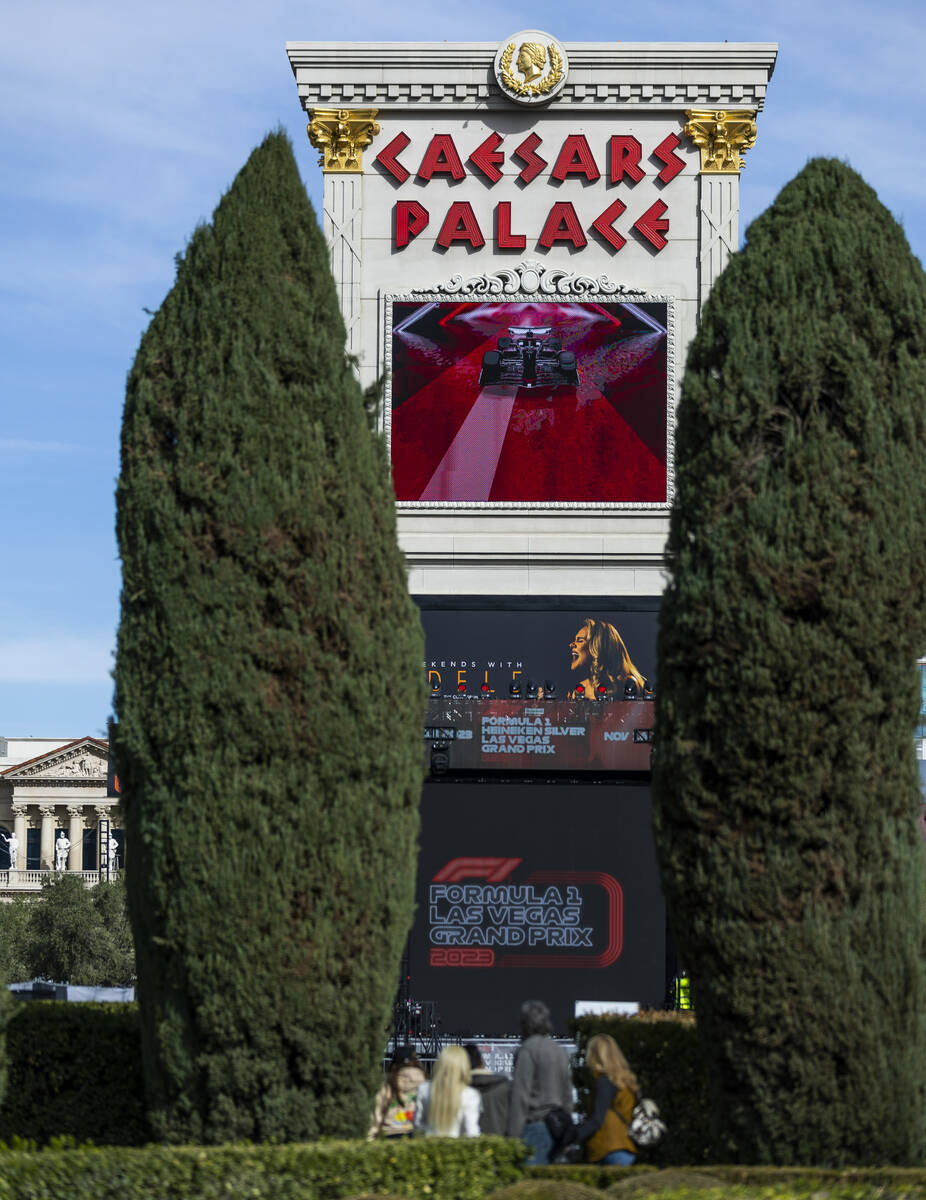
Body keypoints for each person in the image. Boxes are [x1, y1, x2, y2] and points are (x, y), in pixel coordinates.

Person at [506, 999, 573, 1165]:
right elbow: (568, 1095)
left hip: (534, 1126)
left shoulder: (527, 1050)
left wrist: (512, 1137)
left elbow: (520, 1095)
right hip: (557, 1127)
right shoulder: (559, 1051)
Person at [571, 1033, 639, 1166]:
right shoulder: (625, 1080)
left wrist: (571, 1135)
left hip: (608, 1148)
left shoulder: (604, 1082)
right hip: (626, 1146)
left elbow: (597, 1120)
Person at [568, 618, 646, 699]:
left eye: (580, 640)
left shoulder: (628, 684)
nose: (571, 644)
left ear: (598, 647)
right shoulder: (581, 688)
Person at [414, 1044, 481, 1137]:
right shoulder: (470, 1095)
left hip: (428, 1145)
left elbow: (418, 1123)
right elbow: (471, 1131)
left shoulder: (424, 1089)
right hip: (456, 1147)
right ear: (464, 1066)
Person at [368, 1045, 426, 1139]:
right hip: (417, 1136)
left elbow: (376, 1117)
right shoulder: (425, 1086)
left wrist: (370, 1139)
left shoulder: (386, 1086)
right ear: (417, 1062)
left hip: (390, 1136)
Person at [463, 1043, 511, 1135]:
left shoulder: (458, 1088)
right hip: (500, 1142)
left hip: (467, 1144)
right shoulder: (504, 1086)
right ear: (482, 1062)